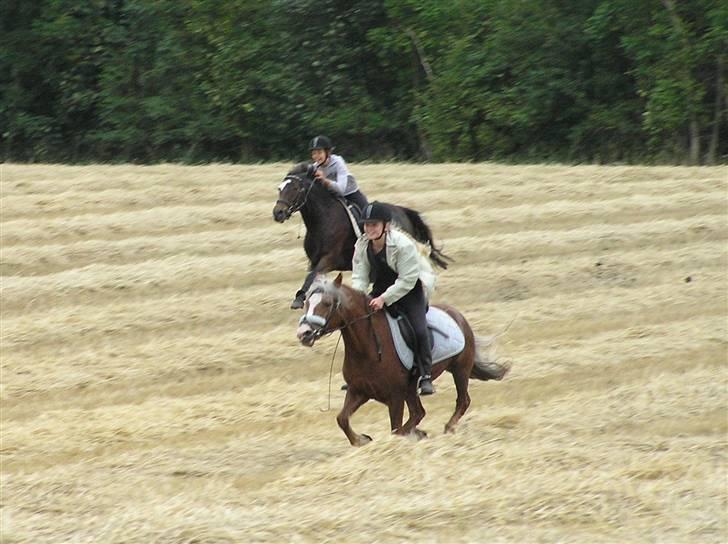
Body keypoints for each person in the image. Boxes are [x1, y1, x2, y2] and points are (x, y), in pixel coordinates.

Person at [351, 202, 435, 395]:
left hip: (410, 292)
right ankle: (360, 374)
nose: (369, 229)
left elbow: (407, 280)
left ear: (386, 226)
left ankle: (425, 375)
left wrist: (383, 299)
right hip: (381, 289)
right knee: (359, 325)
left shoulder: (403, 244)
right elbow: (360, 276)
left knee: (419, 330)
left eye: (374, 225)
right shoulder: (362, 245)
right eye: (367, 225)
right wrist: (359, 297)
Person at [308, 135, 368, 212]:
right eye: (314, 153)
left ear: (328, 153)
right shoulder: (315, 167)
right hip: (332, 196)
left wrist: (324, 180)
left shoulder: (338, 162)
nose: (316, 156)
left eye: (319, 152)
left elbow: (341, 190)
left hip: (350, 194)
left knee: (367, 214)